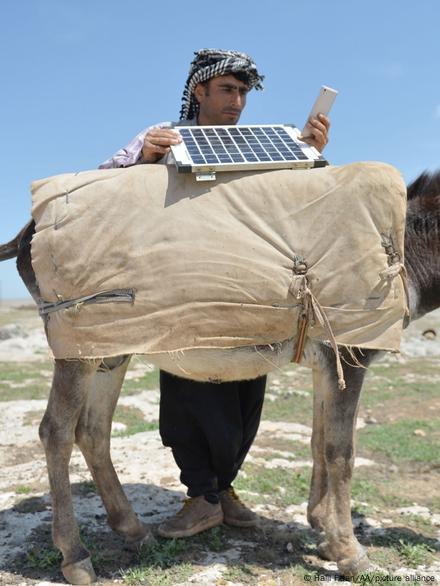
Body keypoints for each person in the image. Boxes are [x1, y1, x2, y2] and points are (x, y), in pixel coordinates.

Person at [99, 48, 330, 538]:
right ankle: (201, 494)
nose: (238, 100)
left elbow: (293, 201)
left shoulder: (264, 143)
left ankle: (222, 491)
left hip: (248, 288)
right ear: (199, 90)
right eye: (227, 89)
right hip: (185, 290)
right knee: (192, 391)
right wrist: (145, 160)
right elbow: (103, 189)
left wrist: (309, 152)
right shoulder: (163, 136)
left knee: (247, 393)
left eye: (243, 92)